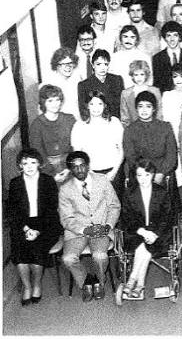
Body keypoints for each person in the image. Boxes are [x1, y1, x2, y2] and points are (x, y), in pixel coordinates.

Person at [59, 151, 121, 302]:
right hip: (77, 232)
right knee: (68, 258)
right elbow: (66, 218)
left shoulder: (102, 180)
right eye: (75, 167)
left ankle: (100, 280)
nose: (79, 169)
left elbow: (114, 206)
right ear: (70, 169)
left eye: (82, 165)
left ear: (88, 166)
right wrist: (84, 230)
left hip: (101, 229)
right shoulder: (65, 189)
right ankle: (86, 280)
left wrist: (108, 226)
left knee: (100, 256)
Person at [7, 148, 62, 305]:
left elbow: (52, 210)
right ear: (20, 166)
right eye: (25, 163)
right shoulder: (15, 183)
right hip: (23, 224)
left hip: (46, 224)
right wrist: (26, 228)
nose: (29, 166)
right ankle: (27, 286)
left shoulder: (48, 181)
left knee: (37, 248)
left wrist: (37, 231)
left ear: (39, 164)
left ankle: (37, 285)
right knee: (19, 250)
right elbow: (13, 211)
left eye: (33, 162)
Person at [117, 158, 172, 303]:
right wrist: (142, 231)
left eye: (147, 175)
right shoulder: (129, 193)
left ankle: (132, 281)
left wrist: (155, 234)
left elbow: (166, 218)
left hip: (158, 234)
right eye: (139, 175)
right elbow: (127, 217)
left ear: (152, 175)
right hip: (136, 232)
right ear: (135, 176)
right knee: (142, 246)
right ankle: (139, 285)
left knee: (144, 248)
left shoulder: (162, 192)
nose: (143, 179)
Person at [122, 90, 178, 185]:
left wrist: (161, 173)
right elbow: (130, 157)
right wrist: (145, 175)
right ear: (136, 109)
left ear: (154, 109)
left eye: (148, 106)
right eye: (140, 106)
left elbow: (171, 155)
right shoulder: (129, 130)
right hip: (140, 175)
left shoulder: (165, 127)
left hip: (164, 174)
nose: (144, 110)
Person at [71, 91, 124, 184]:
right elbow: (78, 154)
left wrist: (114, 172)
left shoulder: (114, 122)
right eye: (92, 104)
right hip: (90, 174)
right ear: (87, 106)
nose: (96, 108)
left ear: (105, 105)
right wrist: (90, 173)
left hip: (114, 172)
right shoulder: (79, 125)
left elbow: (121, 149)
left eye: (100, 104)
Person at [29, 85, 76, 183]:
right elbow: (38, 152)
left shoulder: (70, 119)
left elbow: (75, 147)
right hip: (47, 170)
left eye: (57, 100)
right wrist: (52, 175)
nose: (54, 104)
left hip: (70, 166)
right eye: (50, 101)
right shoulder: (36, 124)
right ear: (43, 102)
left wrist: (69, 168)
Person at [152, 21, 182, 93]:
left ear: (180, 37)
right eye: (169, 35)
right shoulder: (157, 58)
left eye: (175, 35)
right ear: (165, 38)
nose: (172, 39)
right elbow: (157, 83)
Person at [119, 60, 162, 126]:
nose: (139, 78)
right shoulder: (126, 93)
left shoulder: (155, 91)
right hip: (133, 129)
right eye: (136, 75)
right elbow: (125, 118)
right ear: (132, 76)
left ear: (146, 75)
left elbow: (159, 115)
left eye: (142, 74)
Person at [43, 47, 81, 119]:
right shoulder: (49, 84)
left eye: (70, 63)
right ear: (57, 65)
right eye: (64, 64)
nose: (68, 67)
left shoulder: (77, 81)